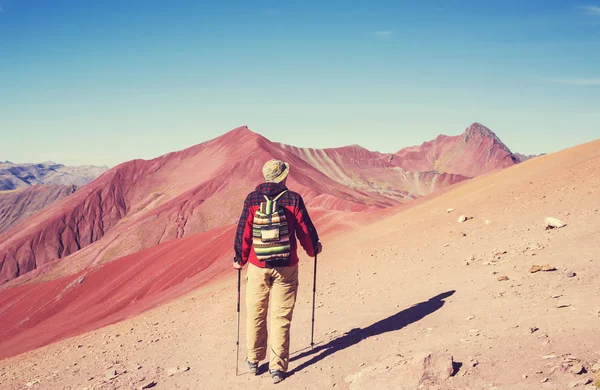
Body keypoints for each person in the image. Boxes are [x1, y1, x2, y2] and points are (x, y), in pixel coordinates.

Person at [233, 158, 322, 384]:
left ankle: (253, 361)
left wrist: (239, 259)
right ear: (283, 176)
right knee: (280, 317)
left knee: (255, 313)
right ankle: (277, 368)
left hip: (257, 266)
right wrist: (313, 250)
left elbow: (243, 231)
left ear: (265, 176)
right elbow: (305, 229)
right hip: (287, 267)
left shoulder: (252, 199)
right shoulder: (293, 199)